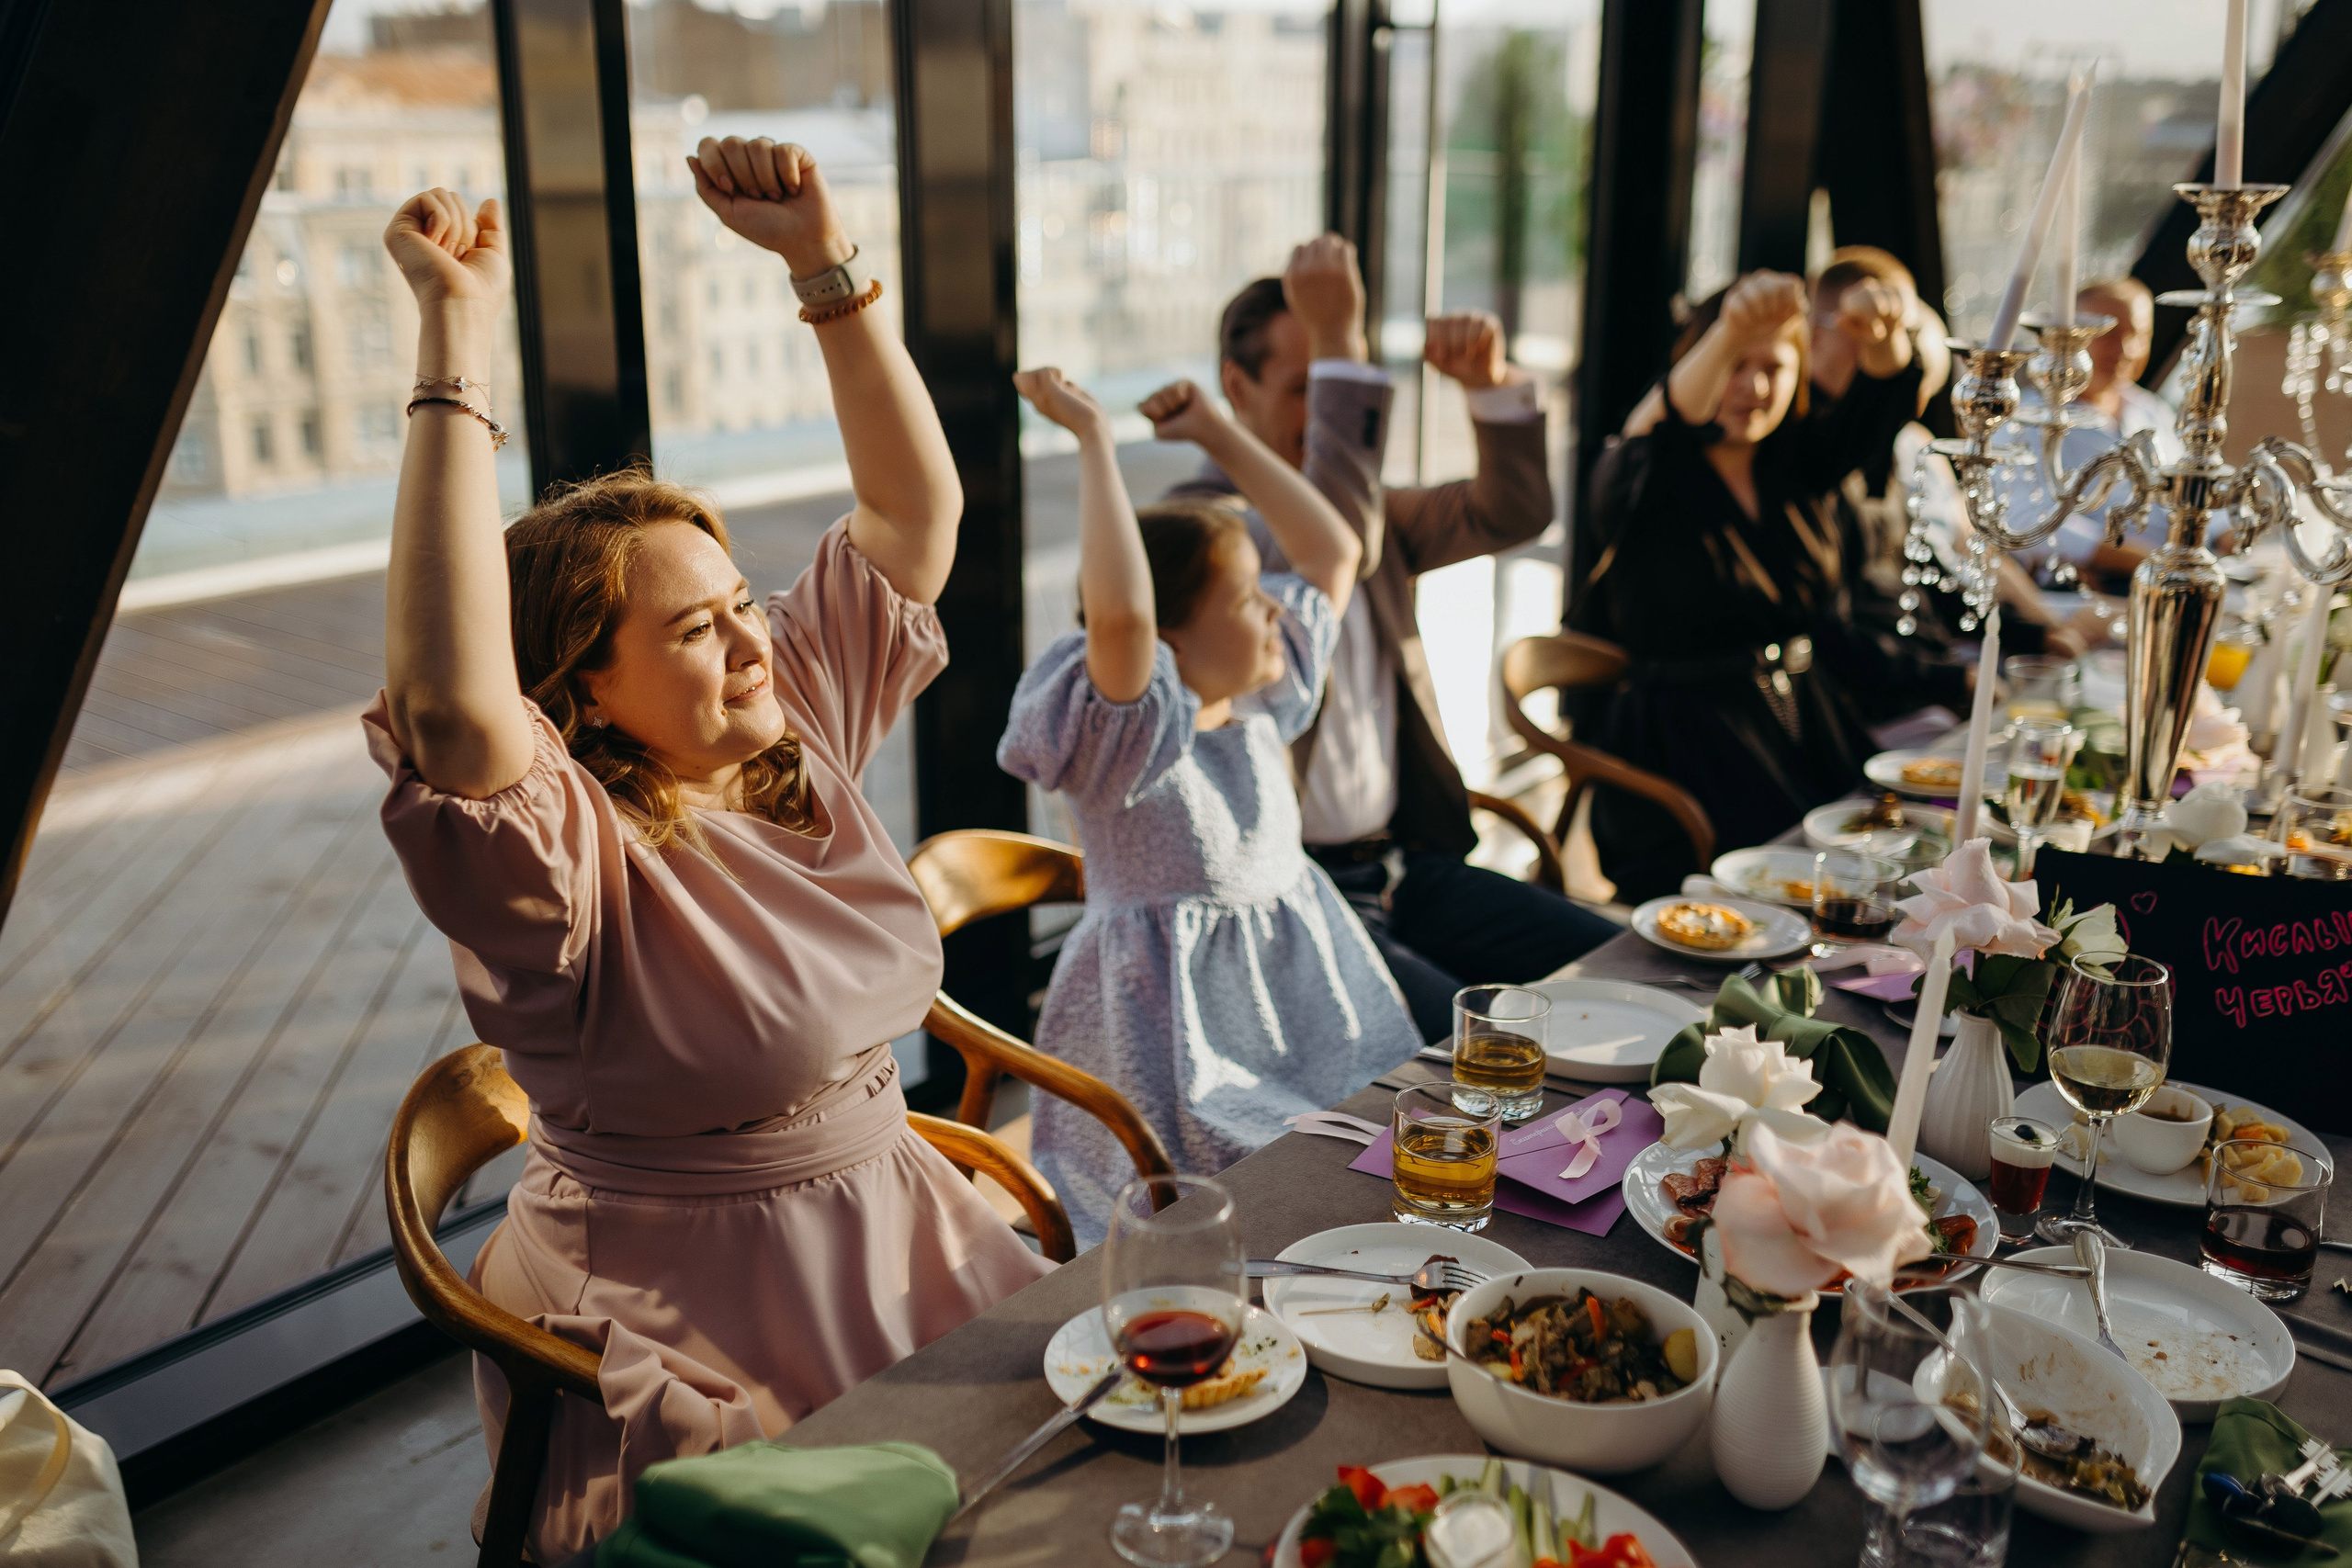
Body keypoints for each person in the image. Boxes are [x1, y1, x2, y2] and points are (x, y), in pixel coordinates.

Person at [367, 142, 1050, 1562]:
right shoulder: (558, 857)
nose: (755, 643)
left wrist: (825, 261)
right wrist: (452, 339)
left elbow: (921, 518)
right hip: (697, 1307)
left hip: (898, 1224)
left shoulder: (782, 722)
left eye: (744, 602)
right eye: (697, 628)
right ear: (581, 689)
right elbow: (447, 701)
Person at [999, 367, 1419, 1247]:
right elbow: (1117, 621)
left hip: (1304, 1027)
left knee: (1407, 1151)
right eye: (1244, 596)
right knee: (1287, 1203)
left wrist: (1220, 436)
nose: (1275, 608)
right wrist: (1093, 442)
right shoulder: (1131, 740)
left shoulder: (1265, 702)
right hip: (1183, 1055)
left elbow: (1334, 553)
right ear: (1170, 637)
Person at [1172, 236, 1618, 1042]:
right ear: (1235, 387)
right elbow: (1332, 537)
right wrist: (1344, 336)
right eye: (1306, 387)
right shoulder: (1204, 531)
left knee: (1617, 971)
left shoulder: (1369, 516)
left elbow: (1511, 511)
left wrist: (1490, 390)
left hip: (1409, 866)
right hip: (1293, 898)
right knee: (1492, 1051)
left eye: (1331, 386)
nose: (1323, 418)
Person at [1576, 270, 1928, 900]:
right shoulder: (1648, 477)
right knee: (1809, 888)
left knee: (1888, 865)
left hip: (1803, 723)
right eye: (1736, 365)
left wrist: (1883, 332)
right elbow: (1660, 427)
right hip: (1685, 753)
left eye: (1775, 367)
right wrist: (1732, 327)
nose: (1755, 387)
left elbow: (1884, 394)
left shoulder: (1795, 465)